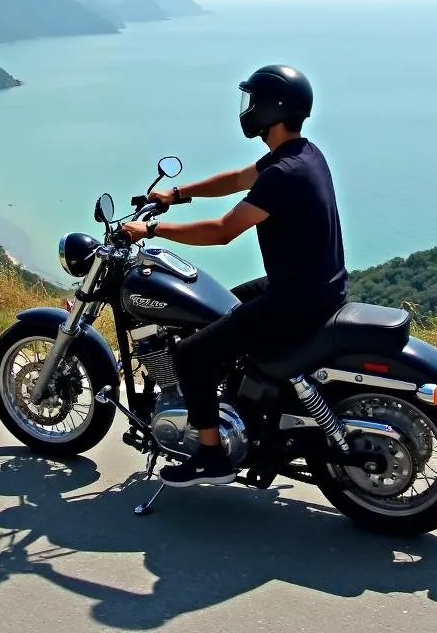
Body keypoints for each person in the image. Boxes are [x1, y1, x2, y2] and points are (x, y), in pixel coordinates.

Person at [121, 64, 348, 488]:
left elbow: (224, 230)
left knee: (191, 354)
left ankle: (211, 455)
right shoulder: (302, 154)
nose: (247, 109)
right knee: (220, 309)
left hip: (295, 301)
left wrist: (151, 229)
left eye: (252, 101)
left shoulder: (283, 175)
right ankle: (239, 405)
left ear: (271, 110)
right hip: (315, 287)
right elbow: (240, 178)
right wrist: (176, 194)